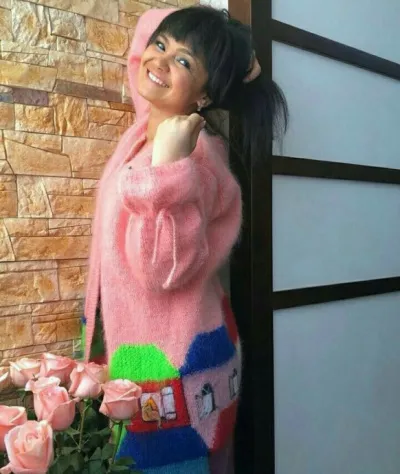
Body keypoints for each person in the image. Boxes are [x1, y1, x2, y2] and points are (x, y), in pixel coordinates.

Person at [82, 6, 288, 474]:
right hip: (139, 358)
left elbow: (161, 270)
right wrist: (225, 40)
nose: (158, 60)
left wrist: (168, 169)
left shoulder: (197, 162)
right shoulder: (149, 125)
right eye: (161, 45)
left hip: (176, 371)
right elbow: (146, 43)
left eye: (184, 61)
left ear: (204, 95)